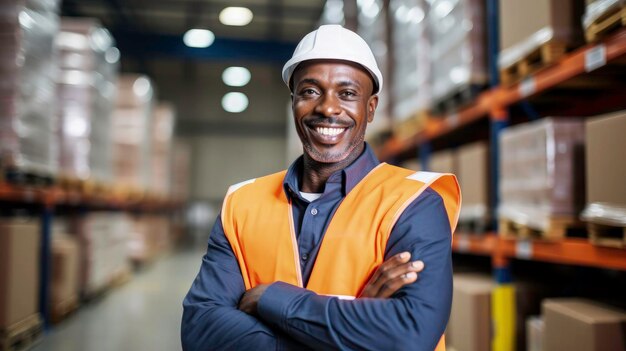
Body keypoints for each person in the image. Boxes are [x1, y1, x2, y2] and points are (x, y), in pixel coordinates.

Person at [182, 24, 461, 351]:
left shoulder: (414, 202)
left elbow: (410, 335)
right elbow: (200, 330)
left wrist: (272, 300)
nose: (327, 108)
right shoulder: (242, 204)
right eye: (311, 91)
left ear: (370, 108)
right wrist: (351, 326)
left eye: (347, 94)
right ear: (294, 102)